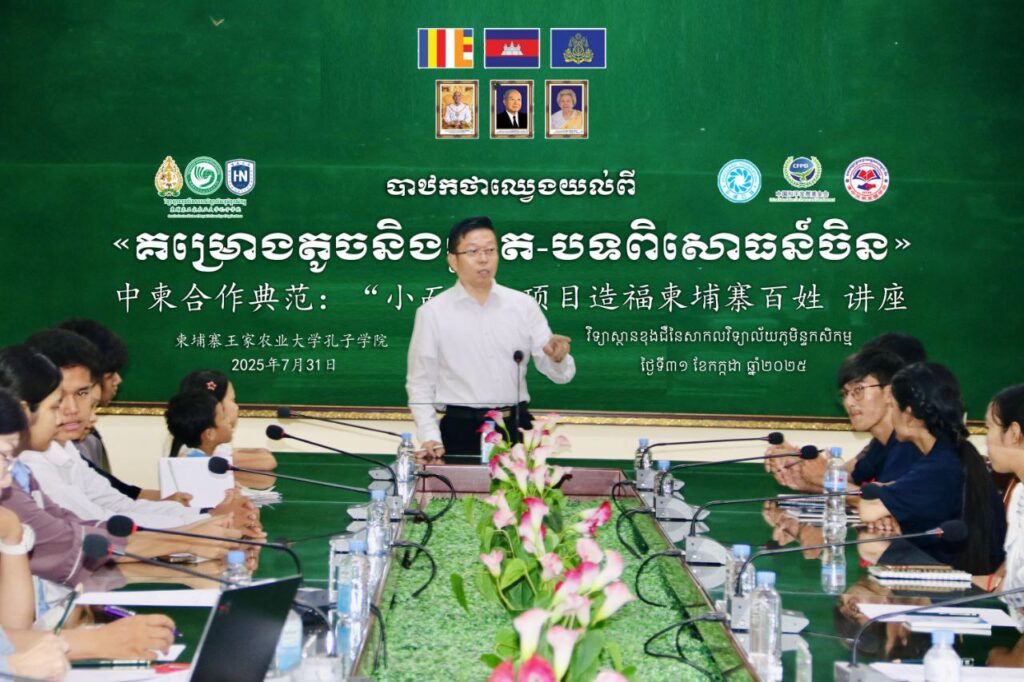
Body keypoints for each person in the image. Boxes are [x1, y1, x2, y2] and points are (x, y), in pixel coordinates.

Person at [0, 345, 243, 587]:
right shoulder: (23, 470)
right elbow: (70, 542)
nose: (67, 413)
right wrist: (189, 536)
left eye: (81, 395)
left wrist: (200, 522)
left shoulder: (25, 470)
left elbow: (92, 520)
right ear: (23, 411)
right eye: (56, 406)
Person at [22, 331, 259, 533]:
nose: (72, 409)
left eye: (82, 393)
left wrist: (209, 515)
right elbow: (100, 524)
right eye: (60, 396)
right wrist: (209, 521)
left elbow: (120, 505)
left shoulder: (64, 450)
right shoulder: (30, 461)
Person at [406, 216, 575, 459]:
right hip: (460, 431)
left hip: (516, 429)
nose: (483, 258)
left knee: (525, 486)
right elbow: (420, 383)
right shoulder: (433, 313)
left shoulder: (523, 306)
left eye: (490, 250)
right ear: (453, 260)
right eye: (472, 251)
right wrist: (430, 435)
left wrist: (557, 359)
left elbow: (561, 376)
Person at [858, 363, 1006, 574]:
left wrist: (885, 499)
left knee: (869, 545)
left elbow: (868, 509)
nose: (891, 416)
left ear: (908, 415)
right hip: (951, 566)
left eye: (893, 407)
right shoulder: (951, 451)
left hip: (959, 579)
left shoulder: (940, 466)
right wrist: (891, 512)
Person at [767, 347, 923, 495]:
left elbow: (888, 504)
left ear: (889, 392)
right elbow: (849, 480)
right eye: (845, 393)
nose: (848, 402)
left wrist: (823, 478)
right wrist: (802, 475)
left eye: (858, 390)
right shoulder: (880, 443)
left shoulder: (910, 442)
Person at [173, 370, 277, 488]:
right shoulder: (194, 451)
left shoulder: (202, 441)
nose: (237, 407)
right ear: (216, 406)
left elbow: (263, 453)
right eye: (232, 400)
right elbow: (267, 462)